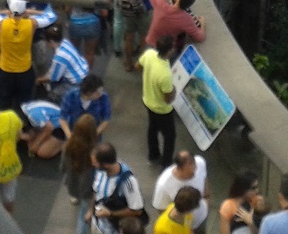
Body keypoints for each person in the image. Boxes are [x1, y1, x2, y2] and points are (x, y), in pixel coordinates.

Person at [0, 0, 56, 109]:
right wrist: (31, 12)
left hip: (5, 70)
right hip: (24, 70)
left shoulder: (1, 23)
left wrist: (5, 13)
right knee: (25, 102)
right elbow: (51, 16)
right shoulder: (31, 24)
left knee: (3, 102)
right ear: (24, 10)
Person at [137, 34, 178, 167]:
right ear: (170, 50)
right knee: (170, 136)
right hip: (162, 109)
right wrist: (174, 90)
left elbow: (138, 66)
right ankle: (166, 162)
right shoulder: (165, 74)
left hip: (148, 100)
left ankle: (153, 154)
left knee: (153, 128)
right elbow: (168, 99)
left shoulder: (149, 54)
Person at [89, 142, 146, 234]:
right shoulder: (100, 171)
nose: (93, 165)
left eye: (95, 163)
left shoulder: (128, 181)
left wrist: (110, 213)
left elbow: (137, 210)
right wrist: (90, 211)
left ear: (105, 164)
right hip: (98, 226)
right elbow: (96, 191)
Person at [153, 151, 211, 232]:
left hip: (200, 220)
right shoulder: (163, 184)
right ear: (179, 168)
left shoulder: (200, 162)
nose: (194, 175)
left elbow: (204, 180)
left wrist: (207, 200)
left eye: (195, 168)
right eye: (189, 173)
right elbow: (161, 209)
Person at [63, 113, 100, 227]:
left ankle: (75, 198)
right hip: (87, 189)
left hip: (72, 181)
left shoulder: (68, 145)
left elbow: (63, 166)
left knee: (78, 199)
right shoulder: (93, 151)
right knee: (84, 215)